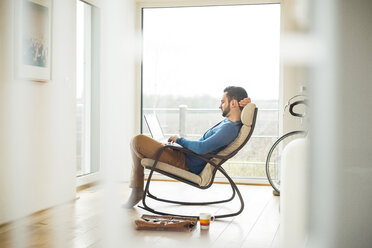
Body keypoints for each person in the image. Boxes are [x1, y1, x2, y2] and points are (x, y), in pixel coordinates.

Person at [123, 86, 251, 208]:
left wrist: (179, 140)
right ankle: (138, 189)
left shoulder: (229, 129)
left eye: (223, 102)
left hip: (185, 162)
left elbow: (201, 148)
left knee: (137, 141)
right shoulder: (228, 122)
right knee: (137, 145)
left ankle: (137, 189)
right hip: (184, 155)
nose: (220, 105)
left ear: (233, 104)